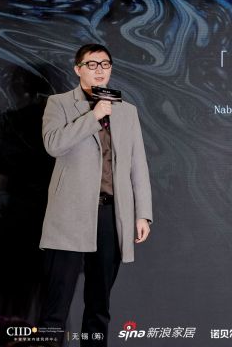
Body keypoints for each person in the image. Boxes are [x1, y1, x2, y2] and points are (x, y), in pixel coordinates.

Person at [37, 44, 152, 346]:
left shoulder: (126, 111)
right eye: (92, 64)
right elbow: (53, 144)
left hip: (110, 215)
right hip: (69, 216)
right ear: (77, 69)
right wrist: (93, 116)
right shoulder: (59, 103)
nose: (100, 70)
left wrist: (142, 214)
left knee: (99, 305)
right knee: (55, 307)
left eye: (105, 64)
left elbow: (137, 164)